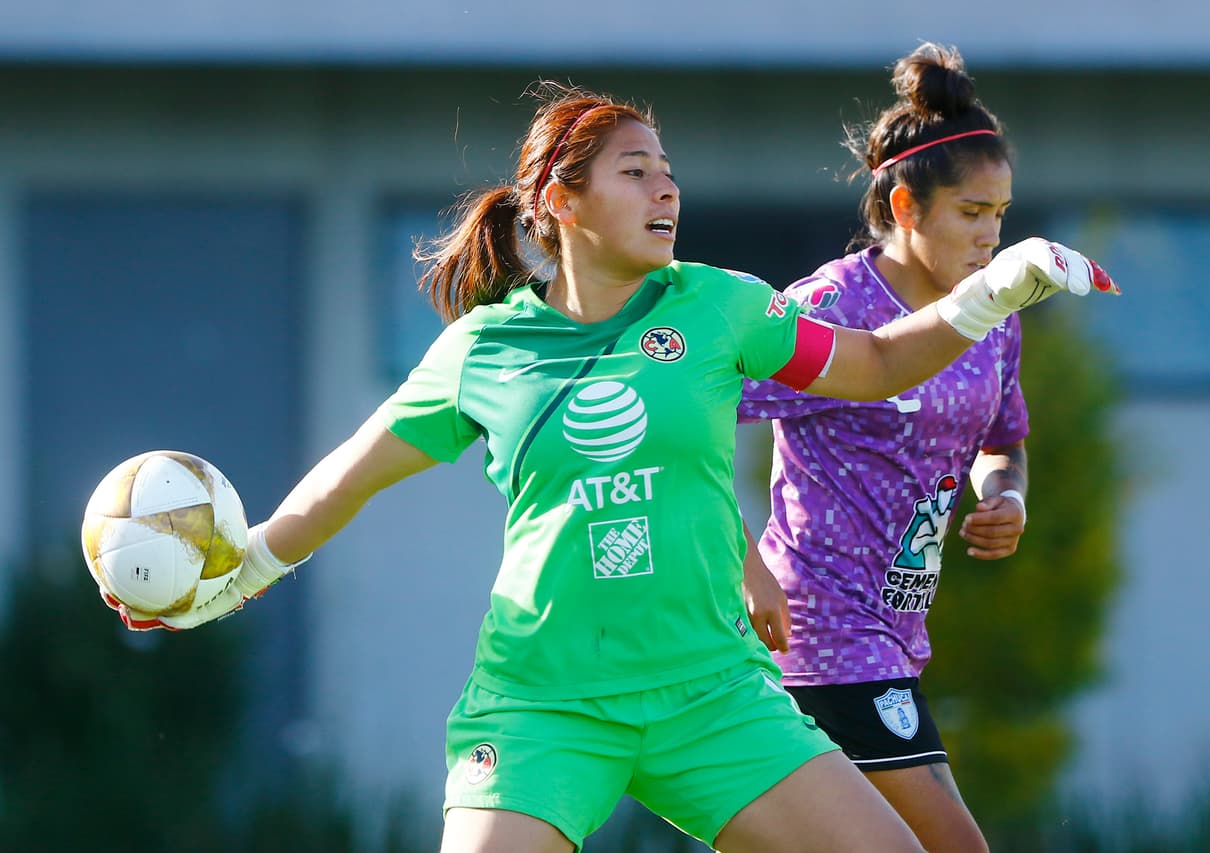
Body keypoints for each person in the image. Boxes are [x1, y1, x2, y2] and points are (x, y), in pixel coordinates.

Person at [95, 81, 1112, 853]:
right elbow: (344, 481)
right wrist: (231, 581)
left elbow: (879, 360)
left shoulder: (719, 307)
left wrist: (1002, 287)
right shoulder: (481, 352)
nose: (665, 185)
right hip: (542, 707)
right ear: (559, 200)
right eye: (634, 169)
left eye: (666, 167)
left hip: (713, 695)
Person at [738, 44, 1114, 853]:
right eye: (971, 213)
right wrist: (744, 562)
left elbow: (1002, 439)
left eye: (1001, 215)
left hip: (898, 633)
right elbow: (686, 420)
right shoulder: (829, 305)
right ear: (906, 209)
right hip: (818, 633)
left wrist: (1005, 493)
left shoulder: (993, 316)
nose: (991, 237)